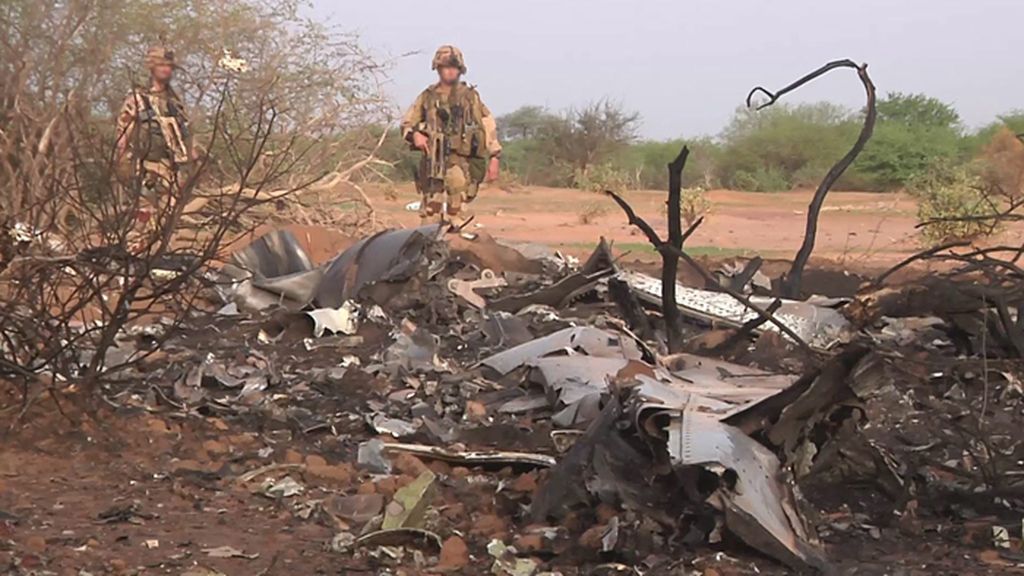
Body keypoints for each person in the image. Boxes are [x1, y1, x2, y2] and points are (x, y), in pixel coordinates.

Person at [400, 45, 501, 227]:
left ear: (460, 70)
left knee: (458, 216)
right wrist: (415, 135)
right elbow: (406, 123)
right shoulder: (427, 97)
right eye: (445, 67)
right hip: (432, 164)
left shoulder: (470, 97)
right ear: (438, 69)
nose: (449, 71)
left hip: (460, 164)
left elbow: (487, 125)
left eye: (453, 67)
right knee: (430, 216)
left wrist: (495, 156)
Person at [115, 44, 193, 227]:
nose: (166, 69)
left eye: (169, 66)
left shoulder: (175, 103)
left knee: (168, 224)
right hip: (146, 170)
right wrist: (123, 166)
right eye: (161, 65)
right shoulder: (138, 99)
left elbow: (186, 138)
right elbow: (122, 135)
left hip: (172, 172)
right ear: (152, 67)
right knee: (143, 222)